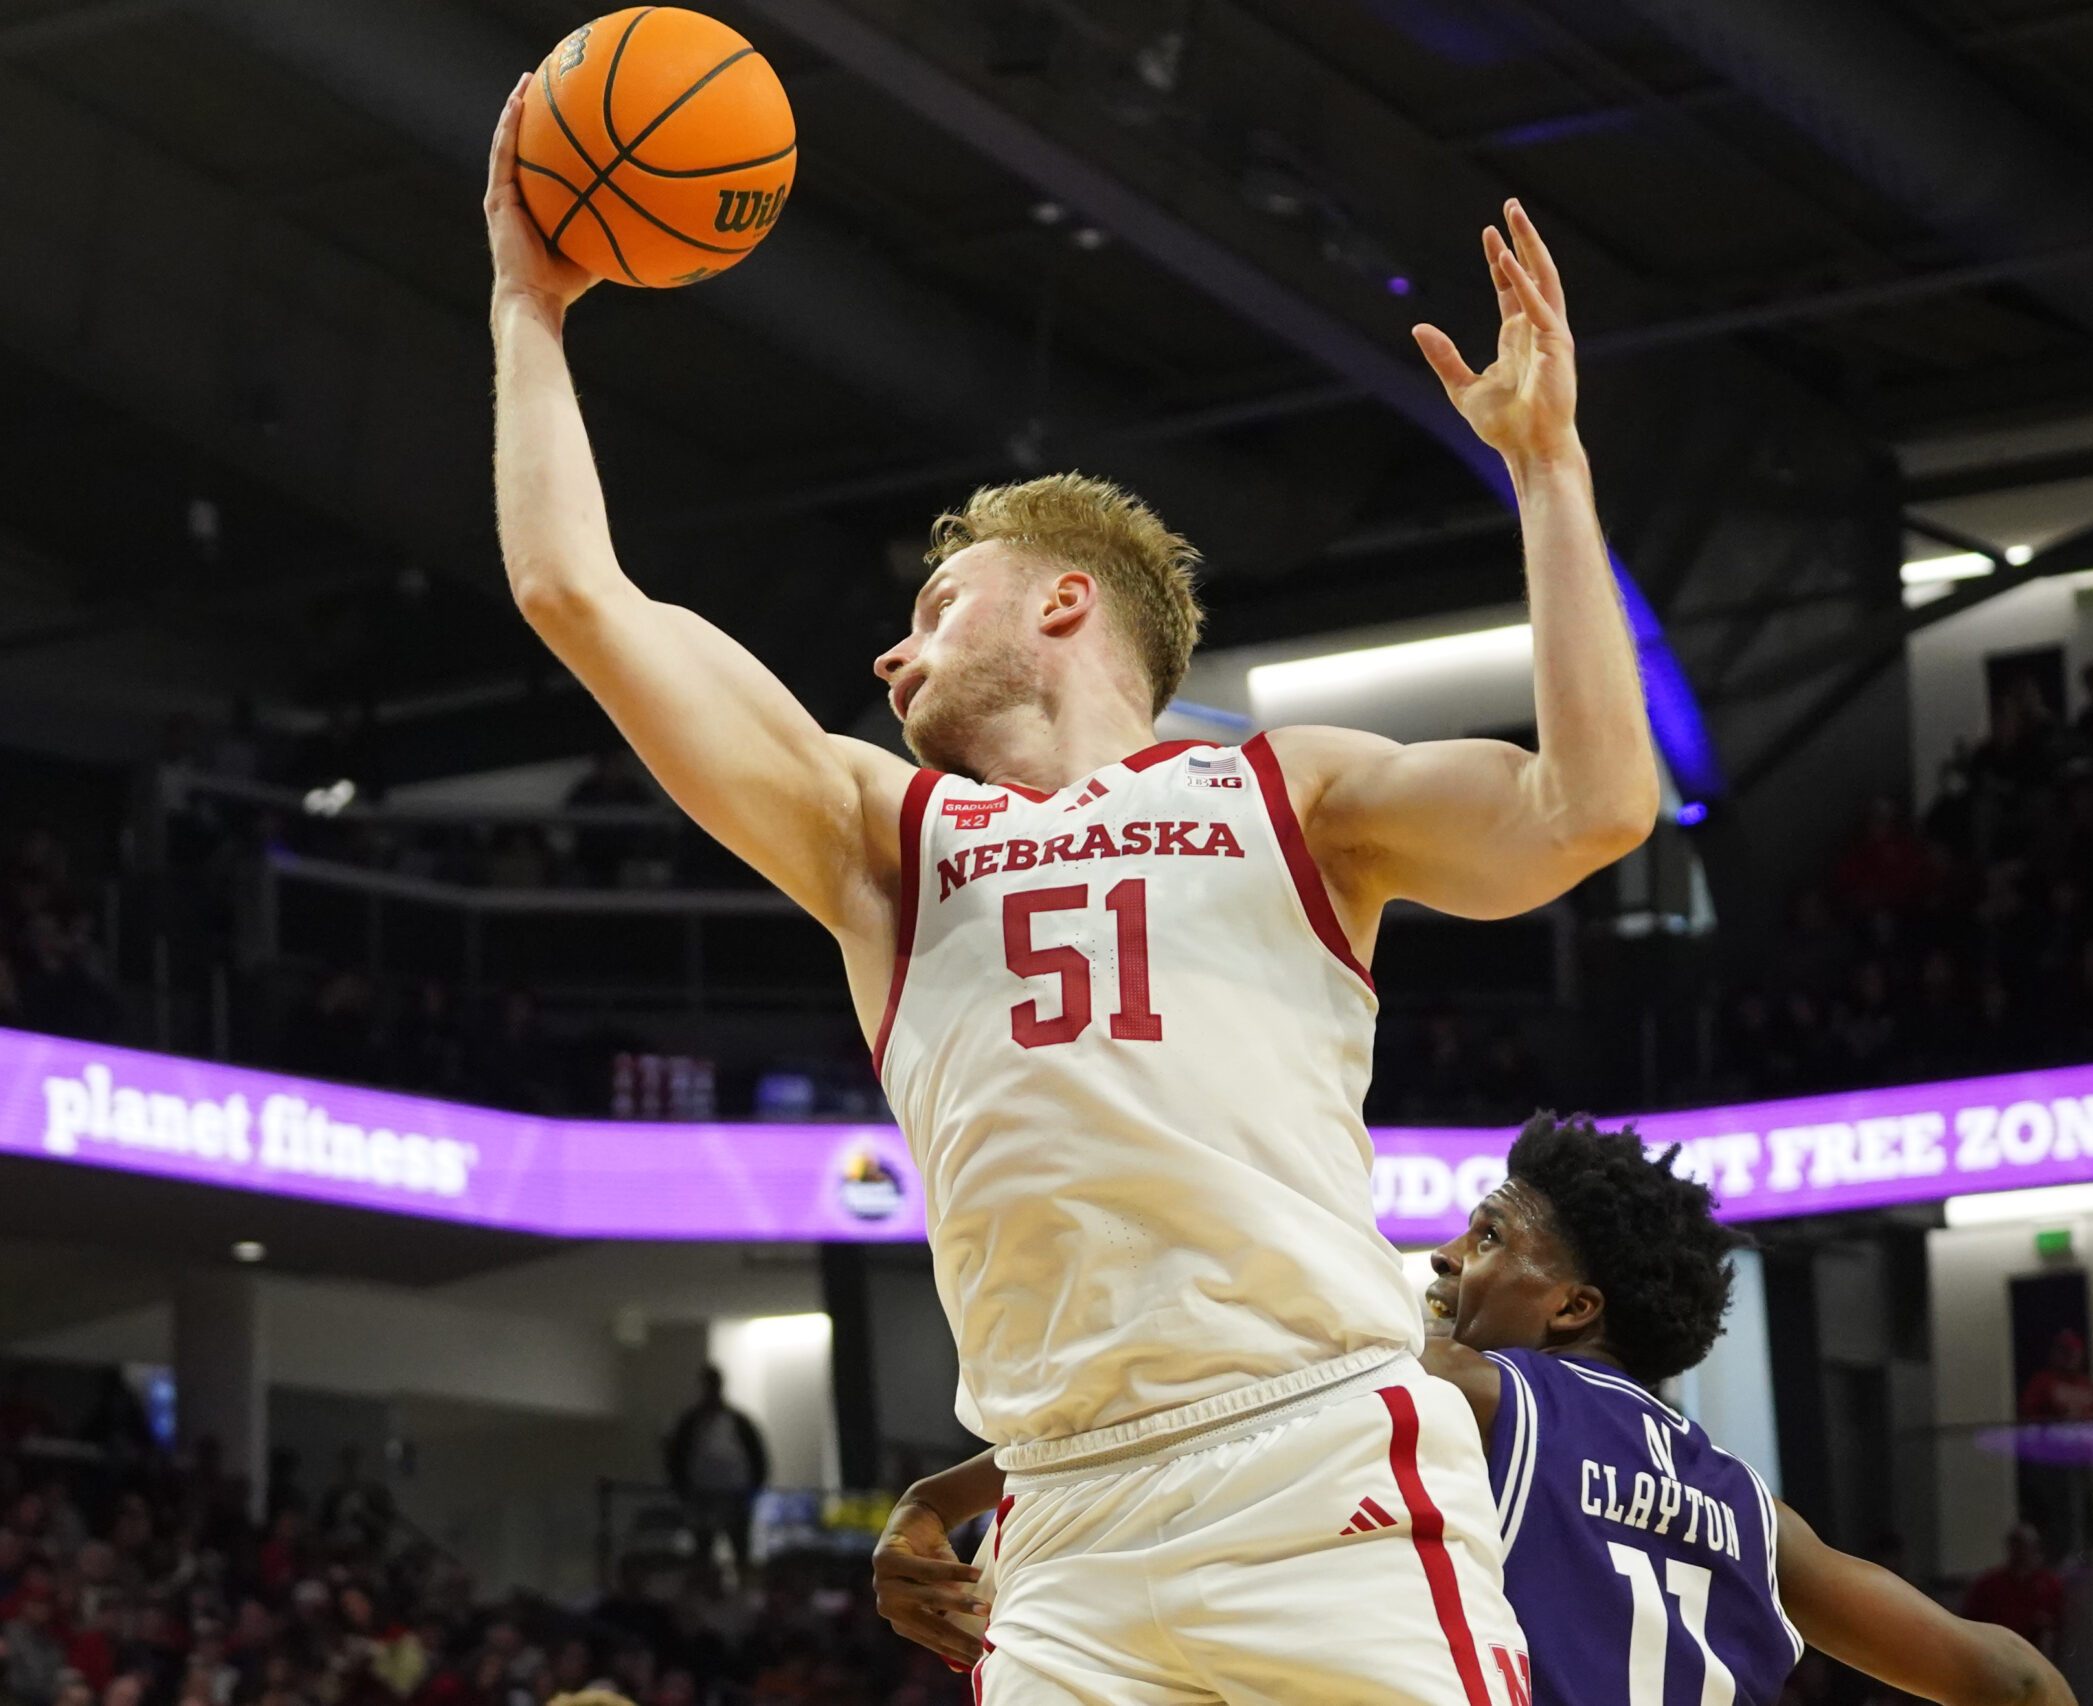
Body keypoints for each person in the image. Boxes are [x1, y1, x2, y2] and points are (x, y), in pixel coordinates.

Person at [489, 69, 1656, 1697]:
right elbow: (570, 592)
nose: (893, 647)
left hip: (1317, 1459)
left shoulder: (1287, 789)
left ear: (1060, 605)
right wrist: (528, 306)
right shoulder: (878, 843)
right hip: (1067, 1535)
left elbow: (1591, 807)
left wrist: (1548, 472)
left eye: (939, 598)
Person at [878, 1116, 2075, 1706]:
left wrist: (939, 1496)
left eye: (1491, 1232)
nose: (1449, 1256)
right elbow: (2011, 1680)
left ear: (1572, 1304)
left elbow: (1207, 1381)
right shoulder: (1751, 1509)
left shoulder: (1468, 1390)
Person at [662, 1370, 767, 1580]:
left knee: (740, 1550)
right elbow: (675, 1457)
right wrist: (683, 1491)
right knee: (703, 1550)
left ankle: (742, 1594)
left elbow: (758, 1456)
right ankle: (705, 1593)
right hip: (701, 1497)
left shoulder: (738, 1421)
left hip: (735, 1497)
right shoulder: (691, 1422)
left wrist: (752, 1492)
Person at [2017, 1331, 2093, 1564]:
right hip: (2053, 1458)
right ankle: (2060, 1556)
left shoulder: (2087, 1384)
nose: (2069, 1358)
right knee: (2060, 1509)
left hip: (2084, 1456)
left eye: (2073, 1353)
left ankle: (2082, 1552)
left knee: (2082, 1506)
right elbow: (2029, 1415)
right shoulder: (2042, 1382)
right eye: (2063, 1352)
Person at [1960, 1525, 2067, 1658]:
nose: (2021, 1551)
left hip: (2033, 1653)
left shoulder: (2048, 1584)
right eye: (2017, 1545)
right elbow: (1970, 1621)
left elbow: (2055, 1624)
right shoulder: (1989, 1584)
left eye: (2025, 1546)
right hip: (1996, 1652)